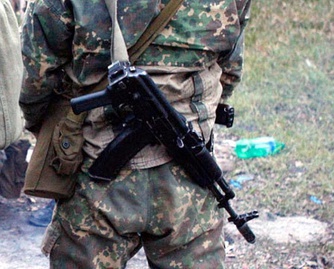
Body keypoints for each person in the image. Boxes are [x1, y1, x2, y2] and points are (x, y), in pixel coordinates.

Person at [20, 0, 252, 268]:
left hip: (96, 176)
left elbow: (37, 76)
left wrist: (48, 130)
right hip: (187, 185)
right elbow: (230, 71)